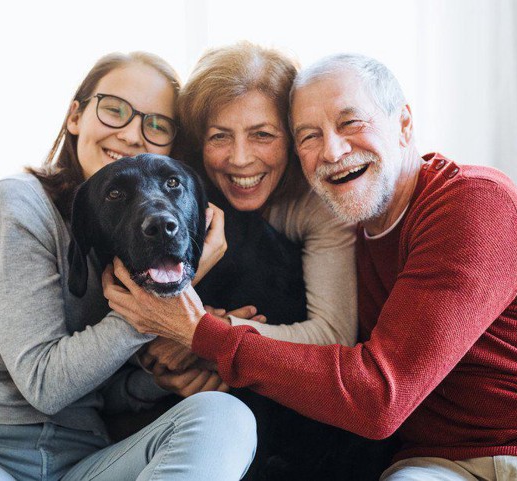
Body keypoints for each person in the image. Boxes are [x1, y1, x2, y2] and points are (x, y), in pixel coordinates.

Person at [102, 53, 517, 481]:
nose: (334, 151)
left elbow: (377, 397)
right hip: (439, 463)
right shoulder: (344, 223)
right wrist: (189, 362)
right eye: (310, 135)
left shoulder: (474, 205)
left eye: (351, 123)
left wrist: (203, 335)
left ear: (404, 124)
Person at [0, 52, 256, 481]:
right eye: (115, 109)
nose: (130, 134)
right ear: (75, 116)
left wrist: (158, 381)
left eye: (156, 124)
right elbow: (45, 385)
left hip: (81, 461)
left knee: (225, 416)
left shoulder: (132, 237)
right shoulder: (16, 204)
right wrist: (170, 296)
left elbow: (103, 391)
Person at [138, 42, 396, 480]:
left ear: (294, 138)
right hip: (204, 409)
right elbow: (141, 321)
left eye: (263, 134)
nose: (240, 159)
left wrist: (204, 337)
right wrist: (158, 368)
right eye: (220, 136)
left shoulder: (320, 198)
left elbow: (332, 334)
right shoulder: (177, 192)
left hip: (301, 413)